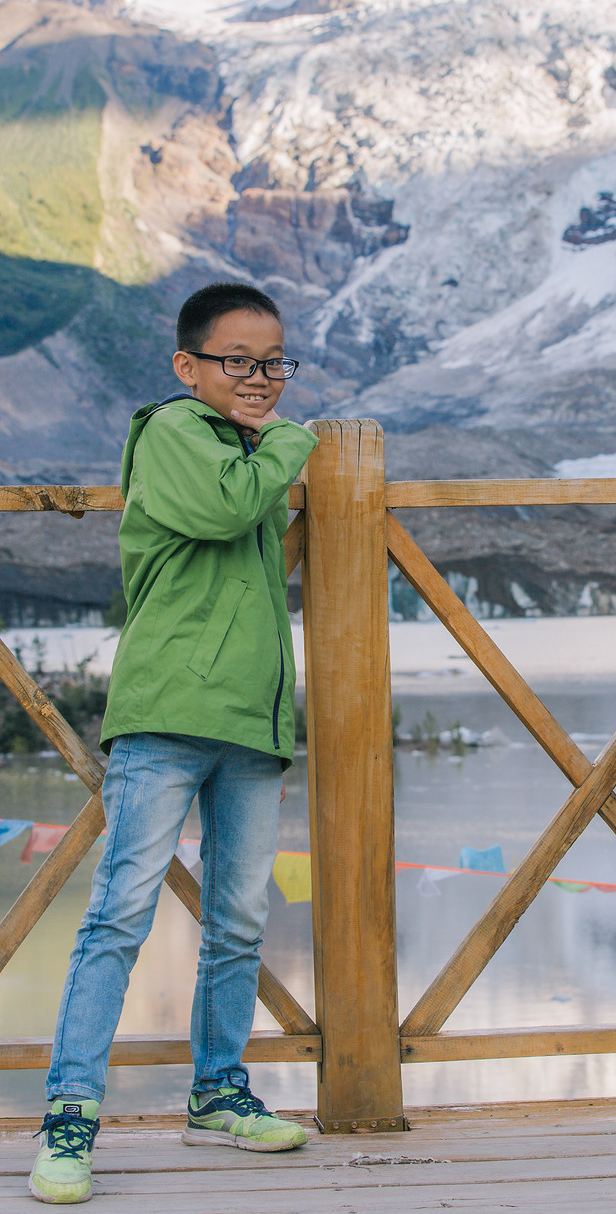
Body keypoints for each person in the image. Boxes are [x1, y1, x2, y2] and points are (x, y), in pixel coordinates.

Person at [30, 282, 318, 1205]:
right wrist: (296, 437)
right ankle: (69, 1119)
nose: (260, 378)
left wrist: (272, 445)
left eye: (274, 362)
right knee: (119, 915)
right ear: (188, 365)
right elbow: (231, 512)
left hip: (252, 722)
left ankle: (217, 1094)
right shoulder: (175, 433)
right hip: (166, 712)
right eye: (237, 361)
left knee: (237, 921)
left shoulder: (246, 444)